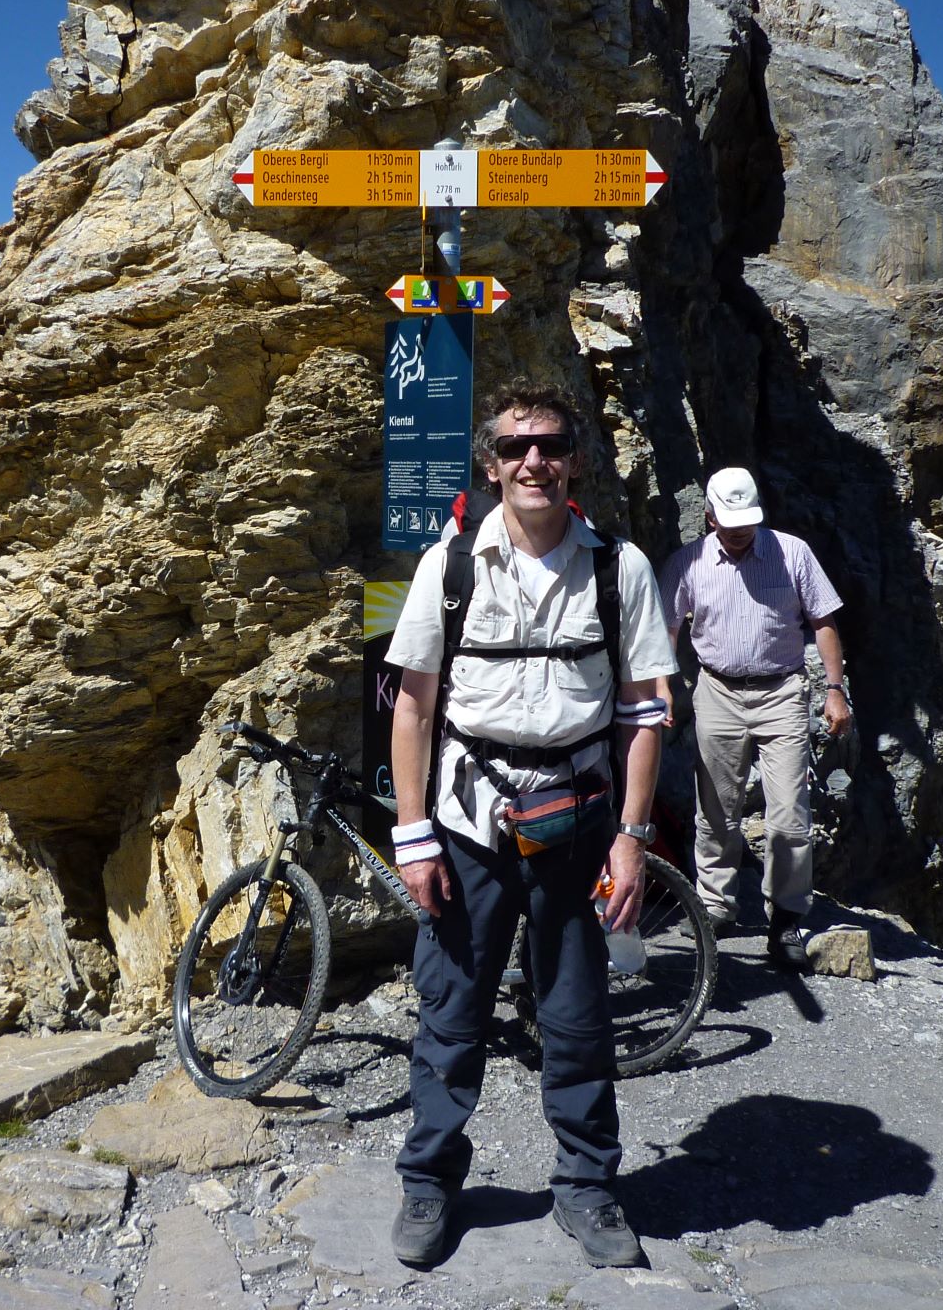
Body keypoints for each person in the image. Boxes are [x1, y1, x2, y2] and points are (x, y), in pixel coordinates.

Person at [384, 380, 676, 1269]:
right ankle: (431, 1185)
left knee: (580, 1015)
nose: (532, 462)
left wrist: (632, 838)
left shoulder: (620, 569)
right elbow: (412, 710)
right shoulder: (452, 566)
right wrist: (413, 834)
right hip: (469, 823)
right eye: (515, 448)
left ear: (575, 460)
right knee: (452, 1010)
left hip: (581, 823)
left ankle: (587, 1190)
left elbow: (644, 715)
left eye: (549, 444)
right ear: (491, 463)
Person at [658, 467, 850, 969]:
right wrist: (664, 690)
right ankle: (716, 906)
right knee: (716, 808)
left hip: (783, 690)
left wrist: (835, 690)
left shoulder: (793, 553)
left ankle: (786, 918)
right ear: (709, 514)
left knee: (789, 814)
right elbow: (667, 629)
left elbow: (823, 621)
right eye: (729, 520)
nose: (740, 529)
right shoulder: (689, 563)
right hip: (716, 690)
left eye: (748, 519)